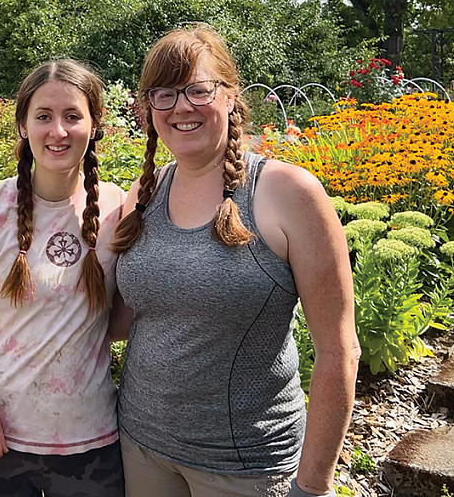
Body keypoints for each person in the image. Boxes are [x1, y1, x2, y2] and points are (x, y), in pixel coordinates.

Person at [111, 25, 359, 497]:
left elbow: (339, 350)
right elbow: (122, 322)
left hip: (245, 465)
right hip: (140, 447)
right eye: (164, 94)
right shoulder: (144, 194)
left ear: (230, 97)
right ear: (149, 108)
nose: (181, 107)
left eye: (198, 90)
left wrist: (312, 486)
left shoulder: (288, 193)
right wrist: (19, 320)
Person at [0, 59, 127, 497]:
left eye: (73, 116)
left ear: (94, 125)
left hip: (91, 445)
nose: (58, 131)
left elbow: (122, 320)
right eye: (43, 116)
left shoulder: (117, 210)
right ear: (23, 126)